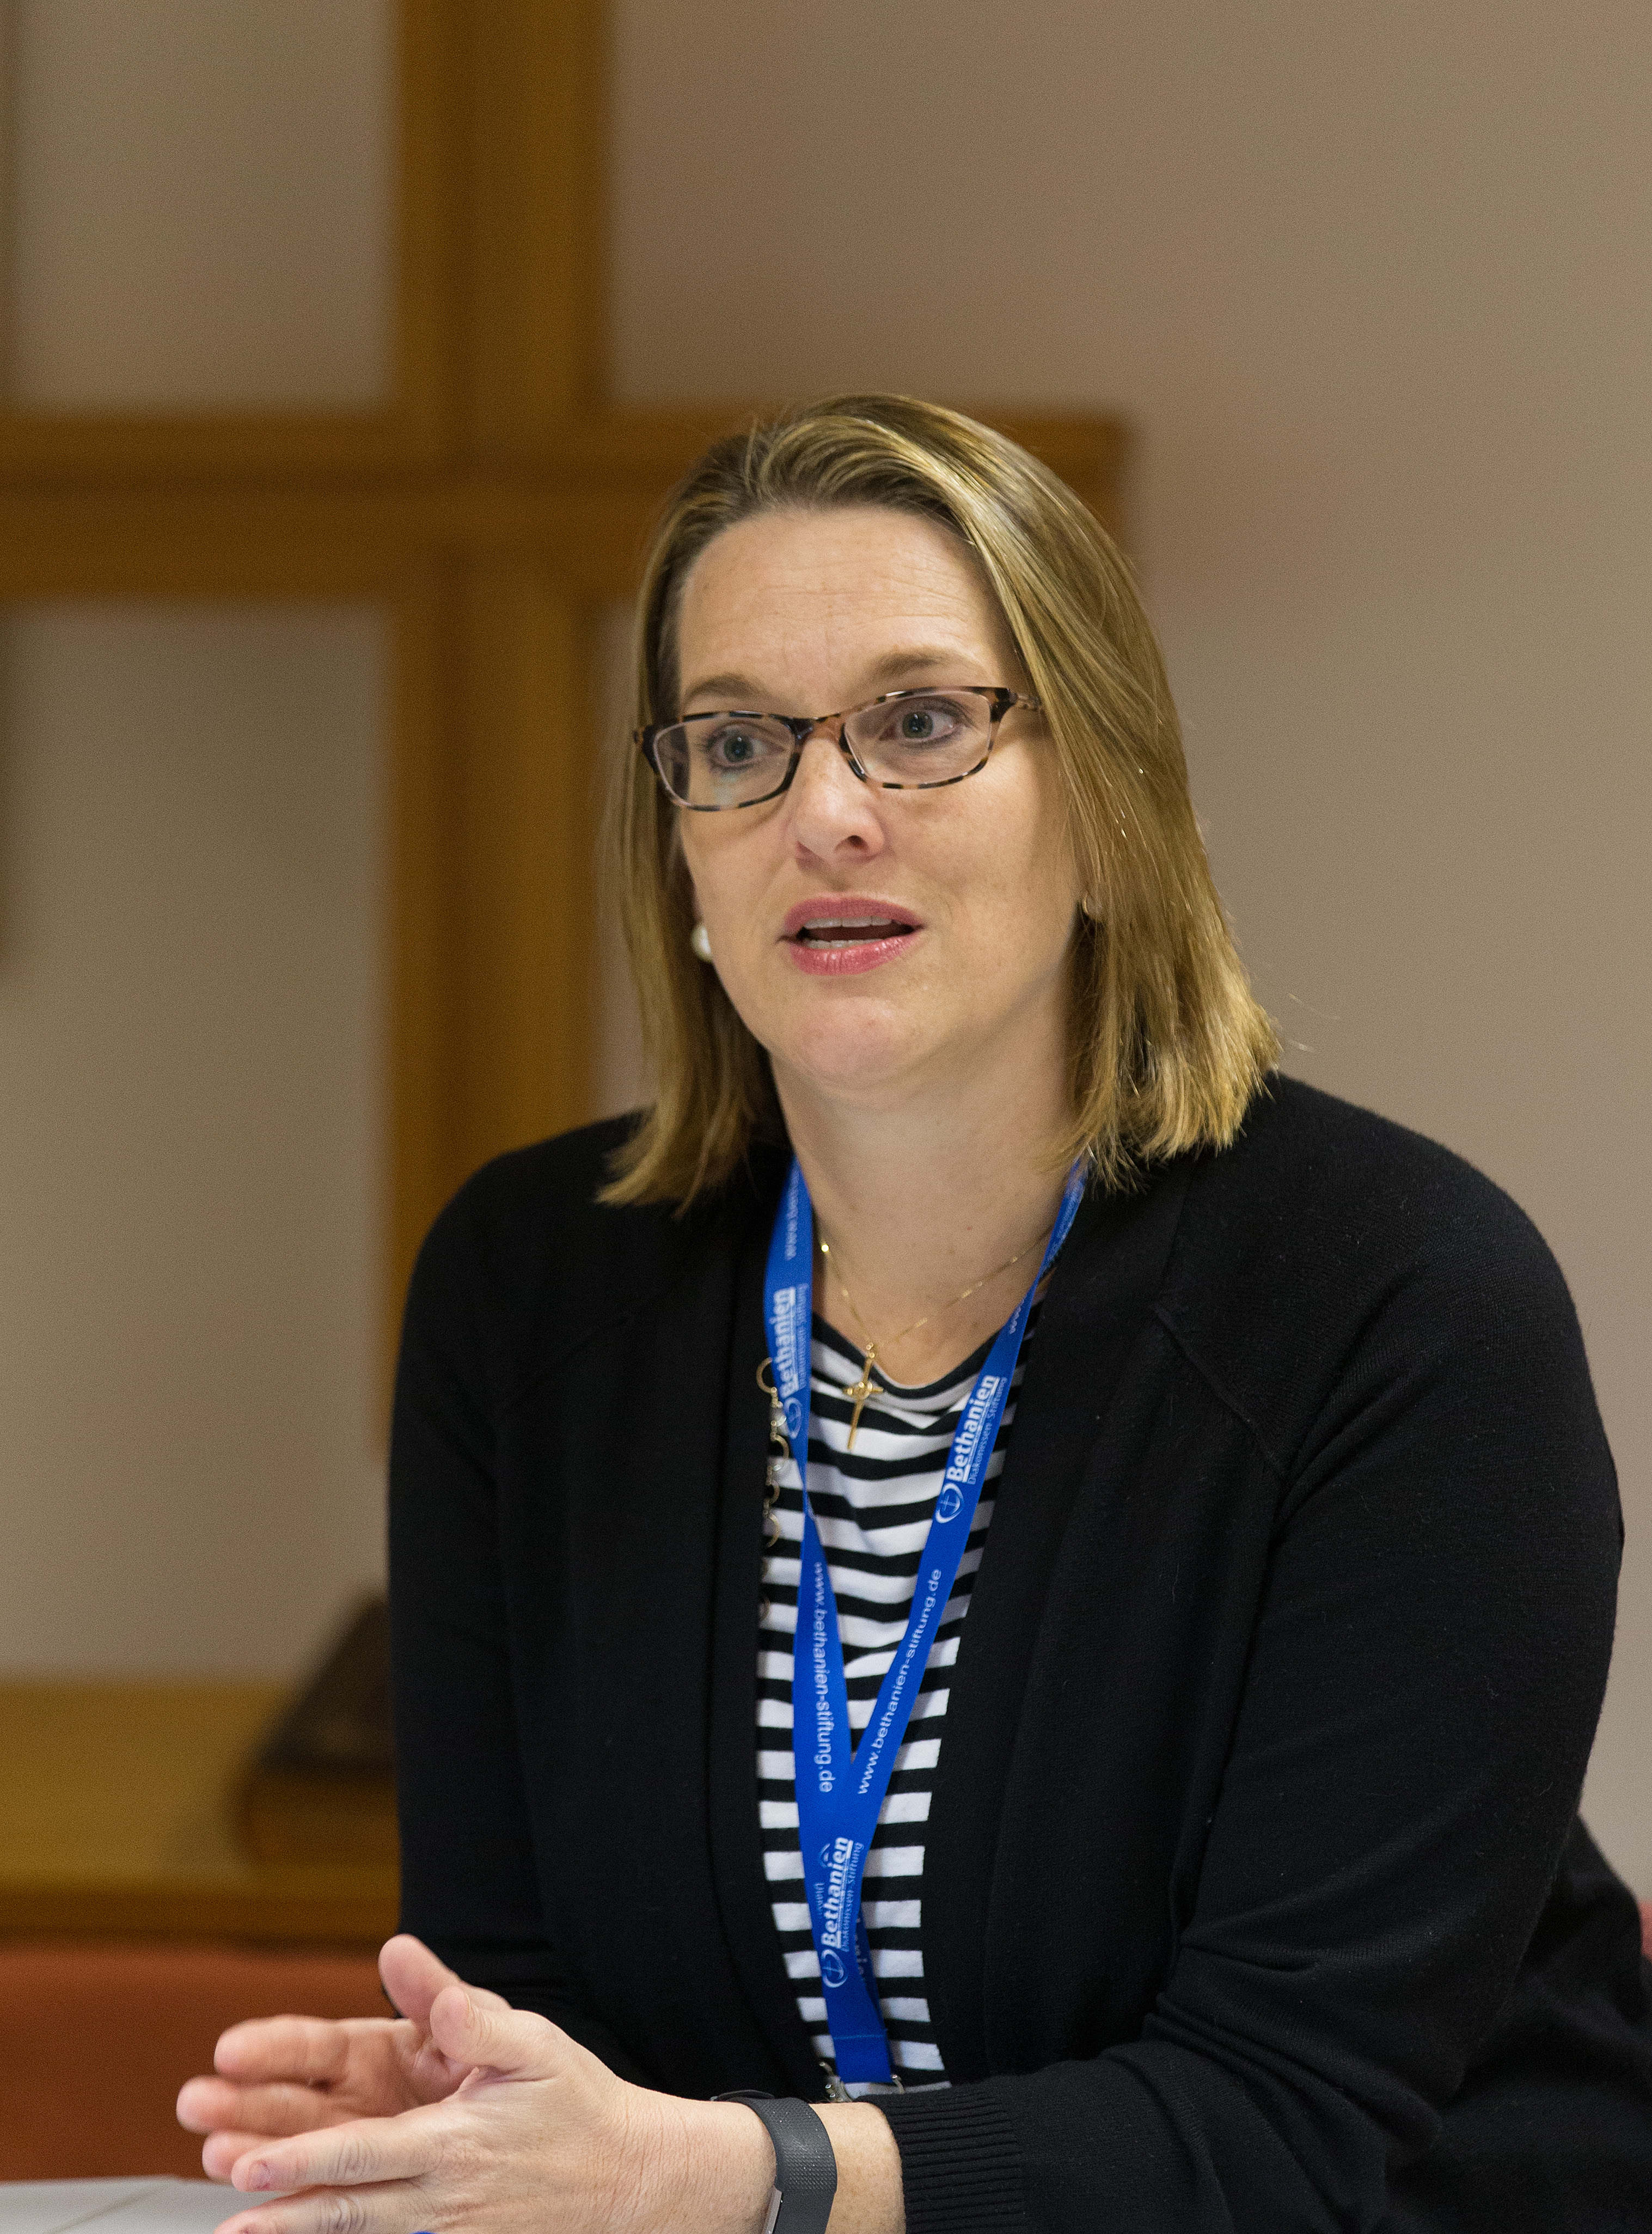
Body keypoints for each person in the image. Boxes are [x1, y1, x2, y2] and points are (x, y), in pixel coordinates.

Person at [179, 396, 1652, 2233]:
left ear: (1107, 814)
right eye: (736, 742)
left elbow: (1282, 2127)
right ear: (686, 859)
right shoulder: (529, 1287)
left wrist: (722, 2171)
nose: (826, 811)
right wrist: (501, 2101)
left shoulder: (1404, 1307)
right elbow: (533, 1983)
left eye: (924, 721)